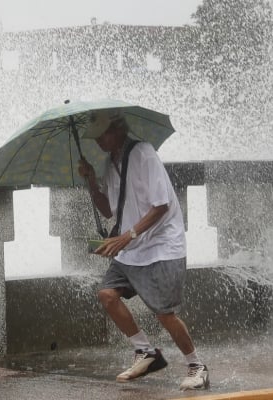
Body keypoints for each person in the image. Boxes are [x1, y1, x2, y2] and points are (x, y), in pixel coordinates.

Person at [77, 110, 209, 391]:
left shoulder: (144, 153)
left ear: (118, 129)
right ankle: (147, 352)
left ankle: (197, 365)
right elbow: (109, 210)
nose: (99, 141)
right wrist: (90, 180)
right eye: (96, 136)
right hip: (132, 248)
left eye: (103, 134)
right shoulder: (108, 164)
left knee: (164, 313)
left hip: (162, 246)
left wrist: (128, 236)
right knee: (107, 295)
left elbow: (161, 205)